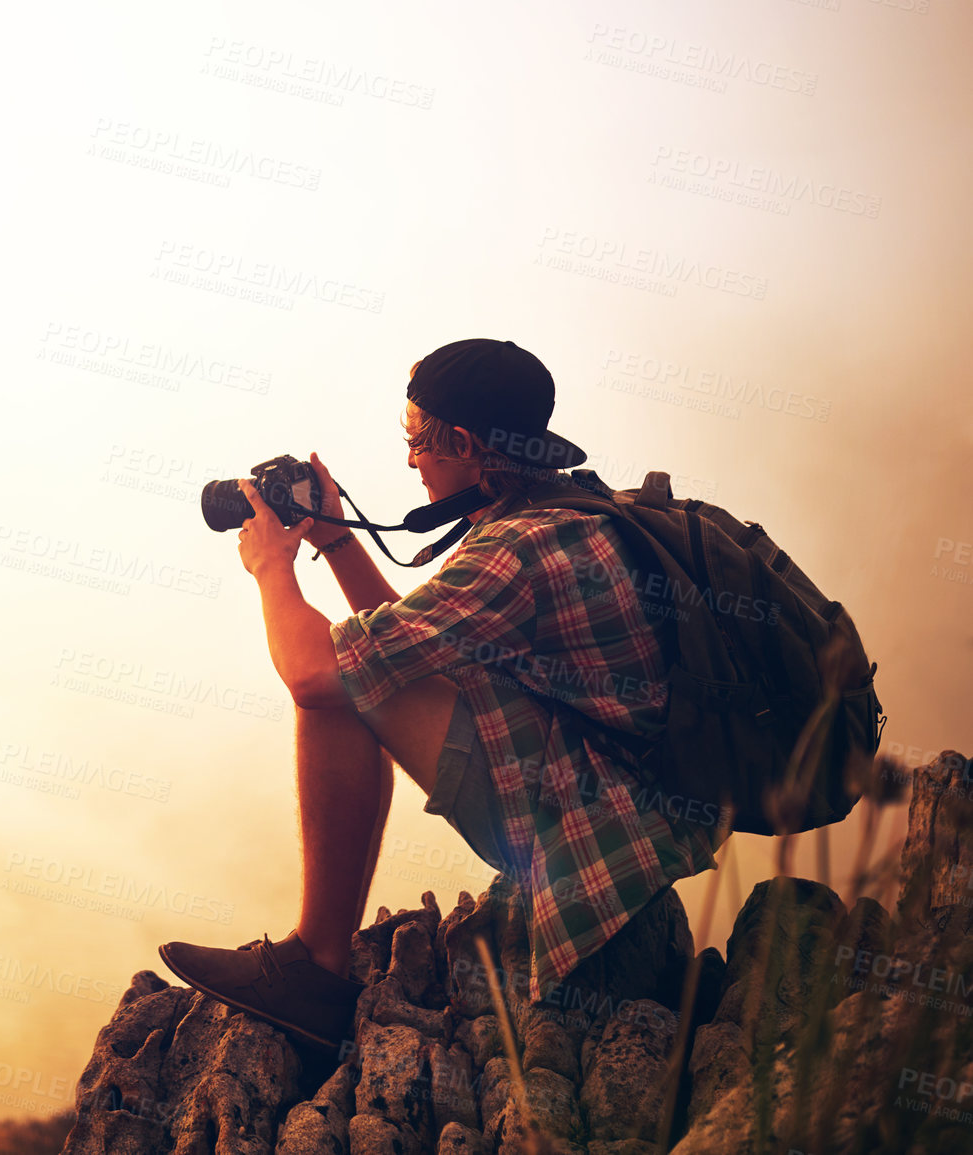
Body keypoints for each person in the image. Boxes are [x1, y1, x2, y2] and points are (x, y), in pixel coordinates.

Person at [157, 338, 727, 1051]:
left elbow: (313, 672)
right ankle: (314, 962)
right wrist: (337, 541)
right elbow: (417, 650)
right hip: (623, 816)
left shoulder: (520, 550)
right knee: (364, 671)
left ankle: (315, 966)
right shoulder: (559, 510)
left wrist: (273, 568)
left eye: (416, 442)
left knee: (336, 687)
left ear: (462, 442)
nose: (408, 461)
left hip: (592, 871)